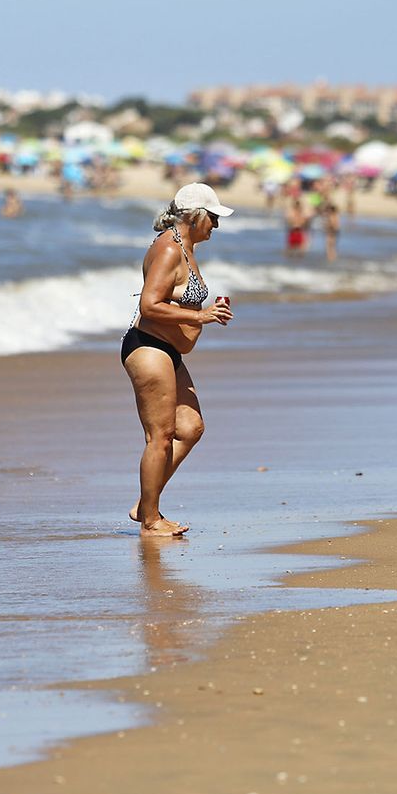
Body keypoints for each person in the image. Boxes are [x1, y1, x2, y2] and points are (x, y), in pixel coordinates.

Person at [122, 183, 235, 537]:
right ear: (196, 216)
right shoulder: (169, 249)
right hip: (149, 347)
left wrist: (206, 311)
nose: (215, 225)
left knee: (190, 428)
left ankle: (145, 503)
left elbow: (176, 298)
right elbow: (149, 305)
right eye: (213, 218)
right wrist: (199, 318)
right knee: (161, 435)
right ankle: (151, 520)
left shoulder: (187, 247)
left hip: (169, 351)